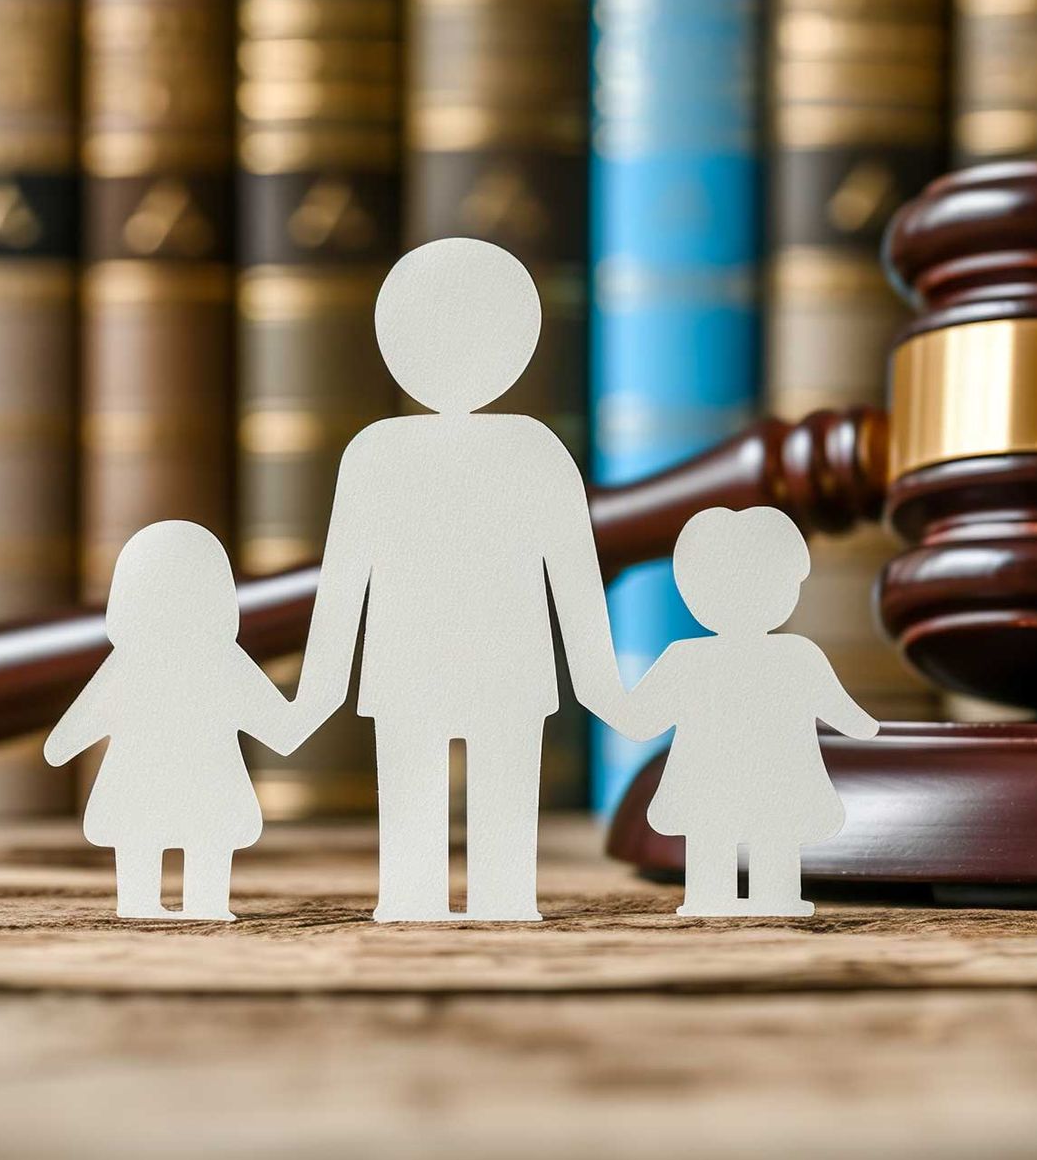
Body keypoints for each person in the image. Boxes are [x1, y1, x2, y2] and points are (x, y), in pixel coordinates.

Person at [292, 238, 625, 922]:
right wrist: (606, 690)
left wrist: (311, 700)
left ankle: (473, 898)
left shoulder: (380, 452)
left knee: (477, 804)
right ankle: (447, 898)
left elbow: (571, 576)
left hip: (447, 673)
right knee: (451, 803)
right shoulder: (530, 449)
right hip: (471, 673)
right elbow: (345, 581)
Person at [615, 506, 880, 917]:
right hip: (753, 780)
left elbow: (637, 721)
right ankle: (727, 897)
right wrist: (868, 729)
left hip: (728, 780)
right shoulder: (791, 655)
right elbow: (845, 715)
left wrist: (603, 695)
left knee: (748, 833)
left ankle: (740, 896)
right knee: (741, 833)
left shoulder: (698, 658)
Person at [45, 521, 313, 920]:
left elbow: (64, 741)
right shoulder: (223, 662)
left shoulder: (132, 664)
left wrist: (60, 746)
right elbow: (284, 731)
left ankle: (162, 903)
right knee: (199, 838)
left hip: (141, 787)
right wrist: (318, 697)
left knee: (153, 837)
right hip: (206, 787)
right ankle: (189, 904)